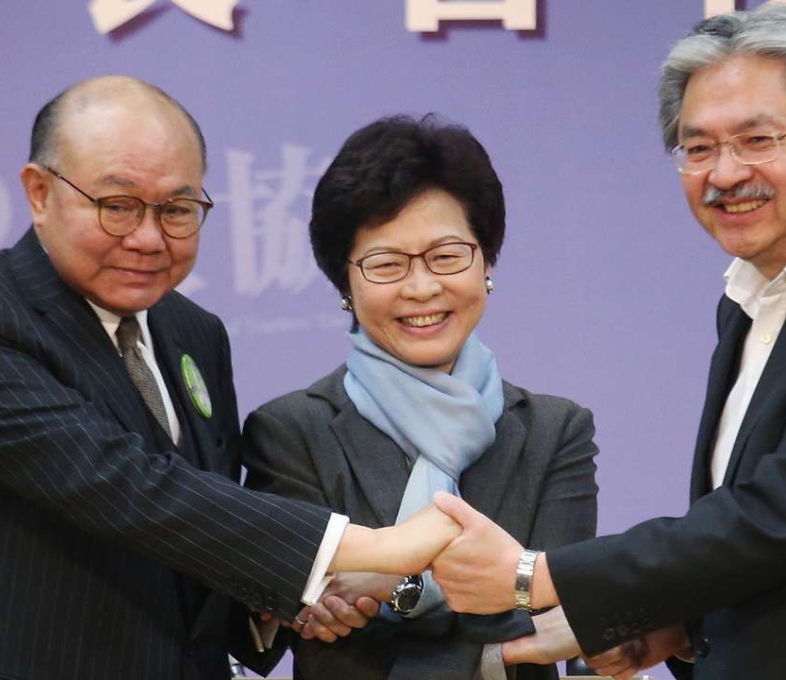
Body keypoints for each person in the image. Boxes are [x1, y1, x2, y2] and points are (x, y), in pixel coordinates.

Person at [428, 6, 786, 679]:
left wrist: (532, 575)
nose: (725, 173)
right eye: (699, 147)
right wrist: (676, 627)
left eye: (757, 139)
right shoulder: (750, 297)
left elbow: (782, 515)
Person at [0, 76, 459, 680]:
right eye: (117, 206)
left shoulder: (192, 331)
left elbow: (195, 534)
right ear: (39, 192)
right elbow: (125, 485)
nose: (147, 238)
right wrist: (370, 548)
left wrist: (290, 599)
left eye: (177, 210)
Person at [239, 114, 599, 680]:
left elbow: (554, 618)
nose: (422, 288)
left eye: (447, 256)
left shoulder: (557, 432)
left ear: (486, 264)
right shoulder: (290, 432)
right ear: (345, 284)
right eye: (386, 264)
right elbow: (298, 618)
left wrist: (393, 584)